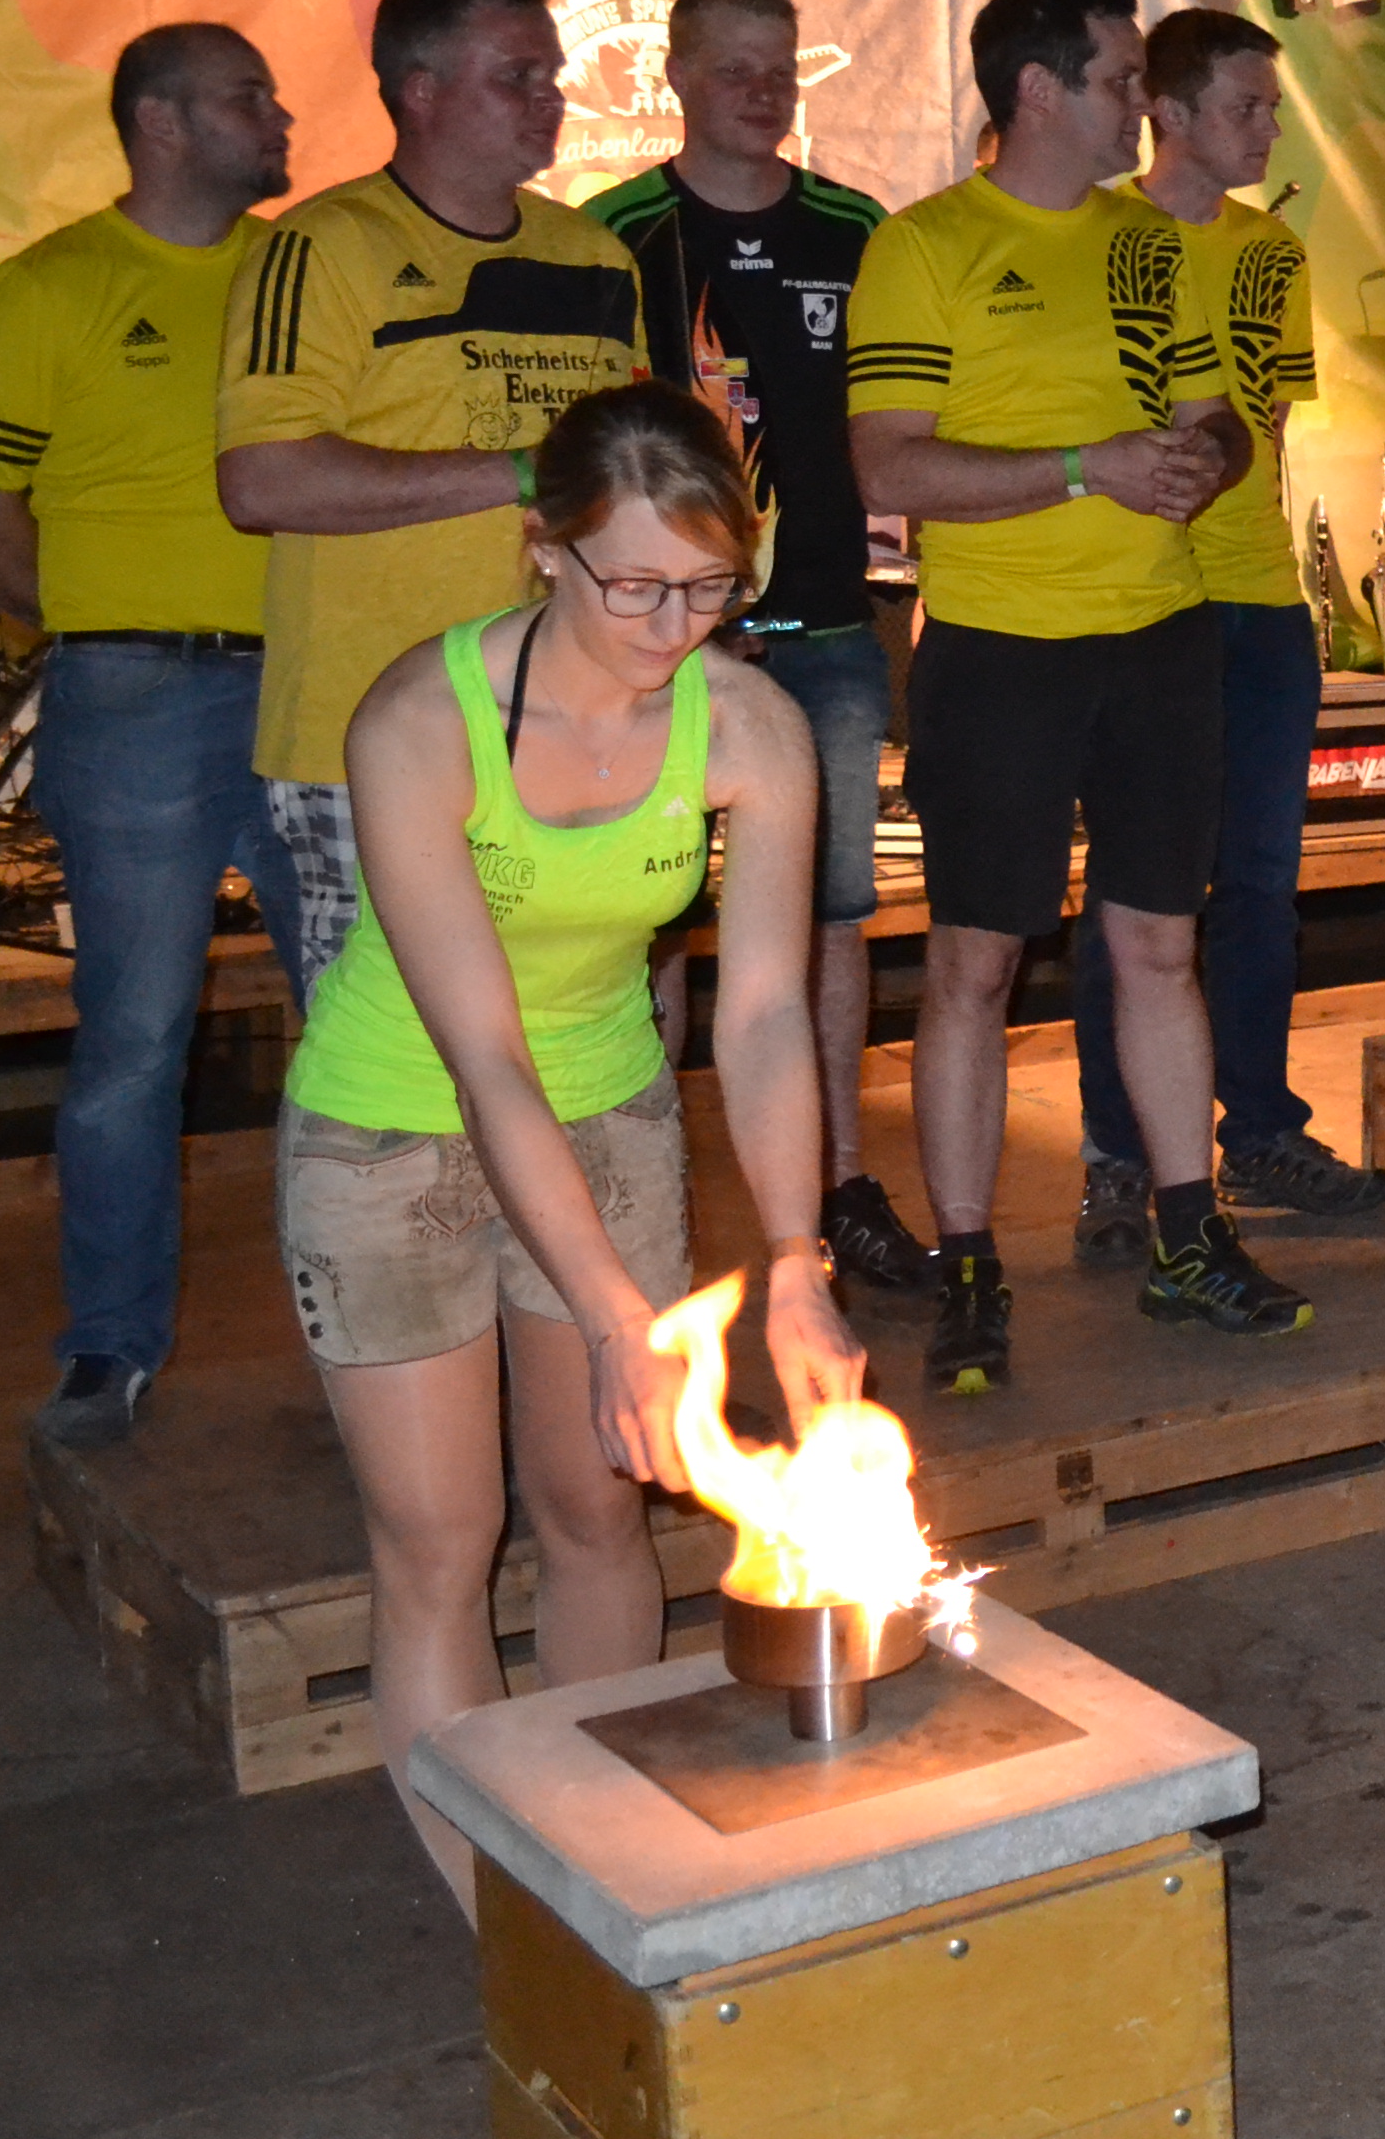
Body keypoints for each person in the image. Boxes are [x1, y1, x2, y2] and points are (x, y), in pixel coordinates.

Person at [273, 383, 858, 1905]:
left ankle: (603, 1881)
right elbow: (483, 1061)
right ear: (544, 547)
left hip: (609, 1108)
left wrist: (796, 1260)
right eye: (635, 587)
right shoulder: (418, 720)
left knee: (600, 1506)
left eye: (711, 588)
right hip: (391, 1130)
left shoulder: (751, 725)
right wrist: (619, 1323)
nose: (675, 628)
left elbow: (766, 1015)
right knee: (440, 1541)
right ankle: (501, 1918)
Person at [847, 0, 1307, 1392]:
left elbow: (1218, 417)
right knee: (976, 964)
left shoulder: (1149, 241)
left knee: (1161, 945)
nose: (1137, 106)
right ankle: (969, 1262)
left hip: (1161, 636)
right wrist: (1079, 468)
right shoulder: (925, 246)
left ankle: (1188, 1233)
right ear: (1038, 92)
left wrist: (1195, 462)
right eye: (1118, 82)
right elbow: (888, 466)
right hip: (1001, 653)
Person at [0, 23, 311, 1451]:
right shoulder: (48, 291)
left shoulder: (303, 275)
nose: (280, 115)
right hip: (136, 701)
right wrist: (107, 629)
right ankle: (110, 1344)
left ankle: (380, 1331)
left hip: (318, 692)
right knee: (137, 1040)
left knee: (364, 1022)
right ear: (161, 122)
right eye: (247, 97)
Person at [578, 0, 926, 1301]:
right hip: (655, 644)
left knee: (832, 918)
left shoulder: (857, 229)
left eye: (780, 68)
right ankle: (640, 1197)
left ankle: (837, 1191)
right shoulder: (613, 236)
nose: (762, 91)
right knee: (644, 924)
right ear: (674, 74)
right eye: (734, 68)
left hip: (826, 632)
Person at [218, 0, 645, 988]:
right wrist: (522, 473)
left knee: (560, 1032)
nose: (550, 99)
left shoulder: (596, 257)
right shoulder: (324, 246)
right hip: (373, 732)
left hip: (569, 727)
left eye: (552, 75)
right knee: (386, 1053)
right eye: (517, 76)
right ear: (420, 89)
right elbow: (261, 482)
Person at [1068, 10, 1385, 1223]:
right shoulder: (1102, 237)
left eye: (1272, 108)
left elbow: (1267, 427)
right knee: (1136, 890)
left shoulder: (1271, 252)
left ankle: (1260, 1131)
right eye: (1245, 107)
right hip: (1143, 601)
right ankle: (1118, 1154)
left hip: (1259, 600)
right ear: (1168, 110)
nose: (1267, 128)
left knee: (1260, 883)